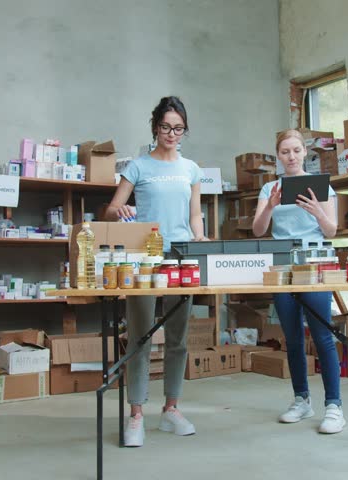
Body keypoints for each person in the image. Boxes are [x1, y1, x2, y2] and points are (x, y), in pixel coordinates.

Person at [106, 96, 206, 447]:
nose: (172, 134)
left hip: (181, 256)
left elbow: (195, 214)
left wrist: (200, 235)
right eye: (166, 127)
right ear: (155, 127)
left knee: (178, 338)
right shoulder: (137, 166)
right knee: (140, 335)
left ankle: (171, 409)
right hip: (144, 256)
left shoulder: (192, 169)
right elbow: (113, 207)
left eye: (178, 128)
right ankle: (136, 414)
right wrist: (120, 212)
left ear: (184, 130)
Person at [251, 129, 345, 434]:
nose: (290, 157)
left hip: (315, 267)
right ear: (278, 156)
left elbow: (331, 231)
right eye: (284, 152)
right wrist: (269, 205)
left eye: (295, 151)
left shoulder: (322, 188)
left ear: (305, 153)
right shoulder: (270, 189)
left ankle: (334, 406)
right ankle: (301, 400)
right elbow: (257, 231)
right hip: (283, 269)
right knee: (291, 339)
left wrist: (318, 210)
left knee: (323, 336)